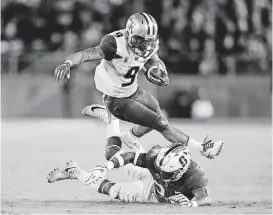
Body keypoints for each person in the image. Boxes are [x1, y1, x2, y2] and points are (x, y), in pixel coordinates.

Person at [54, 12, 223, 158]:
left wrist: (159, 70)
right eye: (140, 41)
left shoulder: (150, 44)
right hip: (117, 99)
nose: (145, 46)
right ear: (129, 33)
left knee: (160, 115)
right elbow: (86, 54)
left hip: (133, 91)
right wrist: (68, 63)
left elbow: (154, 59)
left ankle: (130, 137)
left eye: (148, 41)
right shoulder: (113, 43)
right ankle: (202, 148)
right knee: (160, 123)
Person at [47, 120, 212, 207]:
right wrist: (107, 167)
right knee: (111, 154)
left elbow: (205, 199)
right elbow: (126, 157)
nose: (162, 174)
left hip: (151, 195)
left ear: (181, 171)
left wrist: (192, 203)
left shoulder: (195, 176)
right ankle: (111, 119)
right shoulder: (156, 158)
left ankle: (76, 173)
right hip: (151, 181)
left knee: (114, 189)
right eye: (161, 169)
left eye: (167, 174)